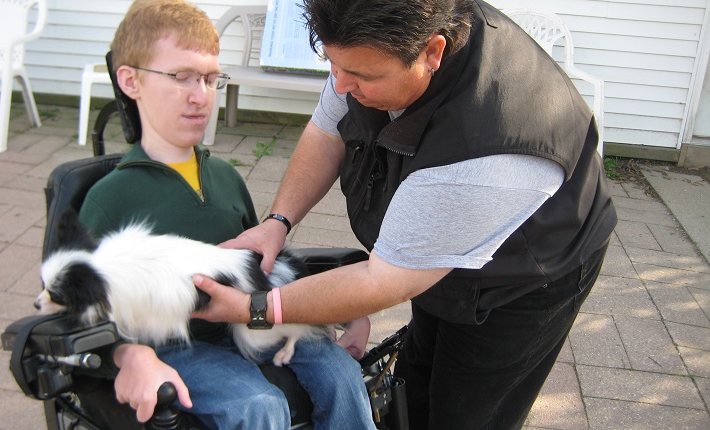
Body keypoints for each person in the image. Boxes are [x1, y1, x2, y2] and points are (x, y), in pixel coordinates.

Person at [193, 0, 619, 429]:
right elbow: (326, 132)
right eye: (332, 64)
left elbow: (384, 280)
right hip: (441, 239)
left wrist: (257, 309)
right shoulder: (367, 40)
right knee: (415, 384)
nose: (339, 85)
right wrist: (276, 224)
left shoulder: (486, 145)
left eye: (361, 76)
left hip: (527, 273)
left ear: (432, 52)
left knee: (465, 410)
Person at [77, 0, 375, 428]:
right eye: (181, 77)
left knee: (342, 374)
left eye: (211, 78)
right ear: (131, 81)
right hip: (178, 344)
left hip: (247, 321)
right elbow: (82, 311)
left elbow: (262, 270)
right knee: (257, 402)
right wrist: (129, 354)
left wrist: (340, 311)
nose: (200, 95)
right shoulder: (112, 199)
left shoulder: (223, 177)